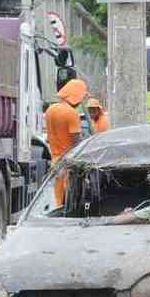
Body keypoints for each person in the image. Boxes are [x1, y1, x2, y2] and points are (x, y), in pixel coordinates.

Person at [45, 79, 88, 207]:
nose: (81, 102)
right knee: (69, 203)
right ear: (76, 96)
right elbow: (76, 141)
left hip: (56, 162)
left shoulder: (50, 110)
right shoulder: (71, 114)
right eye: (81, 98)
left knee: (59, 203)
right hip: (69, 164)